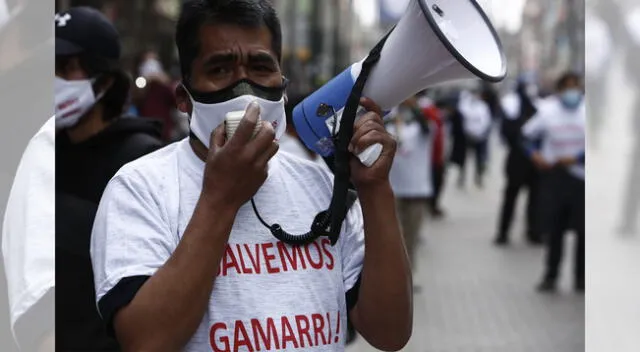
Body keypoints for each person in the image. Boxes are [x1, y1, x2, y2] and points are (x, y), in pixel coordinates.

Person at [89, 1, 412, 351]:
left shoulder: (320, 184)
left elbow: (390, 332)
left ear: (282, 84)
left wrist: (376, 190)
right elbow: (146, 340)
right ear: (184, 99)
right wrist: (220, 198)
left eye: (260, 68)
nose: (244, 89)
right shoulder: (140, 188)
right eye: (220, 69)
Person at [55, 7, 164, 350]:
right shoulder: (40, 153)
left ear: (103, 81)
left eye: (66, 68)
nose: (51, 80)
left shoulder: (141, 162)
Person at [522, 72, 585, 293]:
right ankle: (551, 275)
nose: (572, 92)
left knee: (583, 232)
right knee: (555, 229)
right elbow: (526, 137)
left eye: (576, 87)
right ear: (559, 90)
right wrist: (534, 155)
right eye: (567, 87)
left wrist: (577, 158)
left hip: (582, 178)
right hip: (555, 178)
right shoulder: (547, 112)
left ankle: (581, 279)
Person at [494, 80, 542, 246]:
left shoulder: (540, 108)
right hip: (516, 161)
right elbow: (506, 134)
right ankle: (503, 232)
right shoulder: (512, 108)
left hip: (535, 163)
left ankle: (534, 231)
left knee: (535, 199)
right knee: (510, 198)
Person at [386, 97, 432, 268]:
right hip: (394, 191)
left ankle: (409, 276)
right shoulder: (390, 129)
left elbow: (425, 124)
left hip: (417, 191)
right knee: (395, 238)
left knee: (411, 237)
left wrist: (413, 105)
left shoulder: (423, 130)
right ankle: (395, 274)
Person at [458, 89, 492, 188]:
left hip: (479, 137)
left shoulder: (483, 106)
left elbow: (486, 121)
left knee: (479, 159)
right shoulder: (466, 104)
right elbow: (463, 115)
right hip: (467, 136)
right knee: (464, 158)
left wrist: (480, 133)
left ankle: (479, 177)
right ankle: (461, 177)